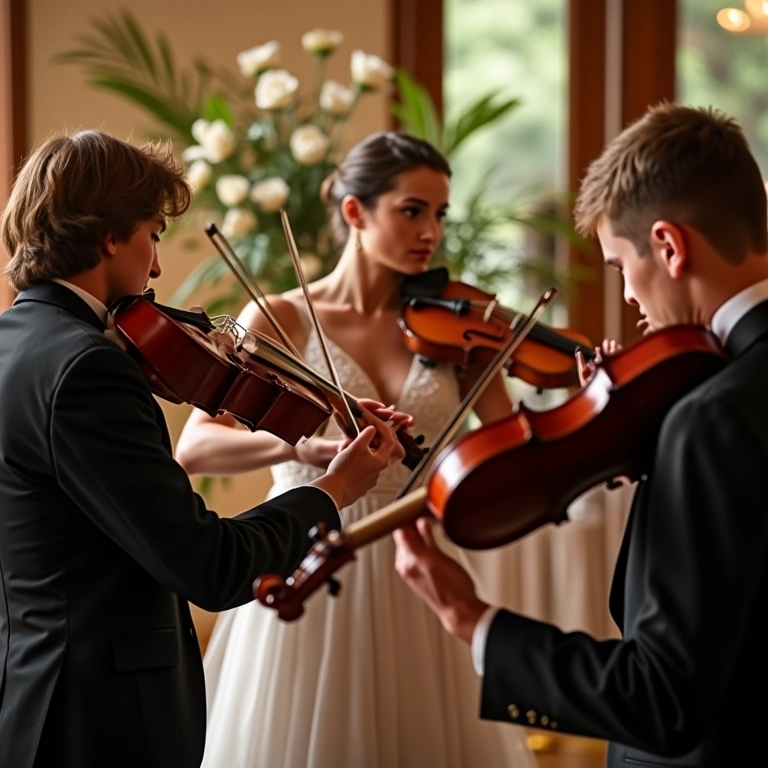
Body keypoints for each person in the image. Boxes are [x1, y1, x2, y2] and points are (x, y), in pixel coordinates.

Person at [0, 129, 406, 768]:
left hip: (31, 691)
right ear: (109, 236)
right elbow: (211, 566)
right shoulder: (87, 370)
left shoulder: (14, 346)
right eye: (153, 233)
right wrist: (333, 490)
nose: (157, 267)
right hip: (99, 719)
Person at [394, 102, 768, 768]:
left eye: (622, 266)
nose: (628, 297)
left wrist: (472, 620)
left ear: (669, 246)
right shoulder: (713, 401)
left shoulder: (709, 416)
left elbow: (662, 699)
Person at [175, 132, 538, 768]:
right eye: (412, 210)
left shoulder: (459, 326)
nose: (432, 231)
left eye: (440, 214)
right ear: (354, 212)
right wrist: (306, 448)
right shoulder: (280, 318)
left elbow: (506, 451)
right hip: (307, 551)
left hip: (414, 554)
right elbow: (198, 447)